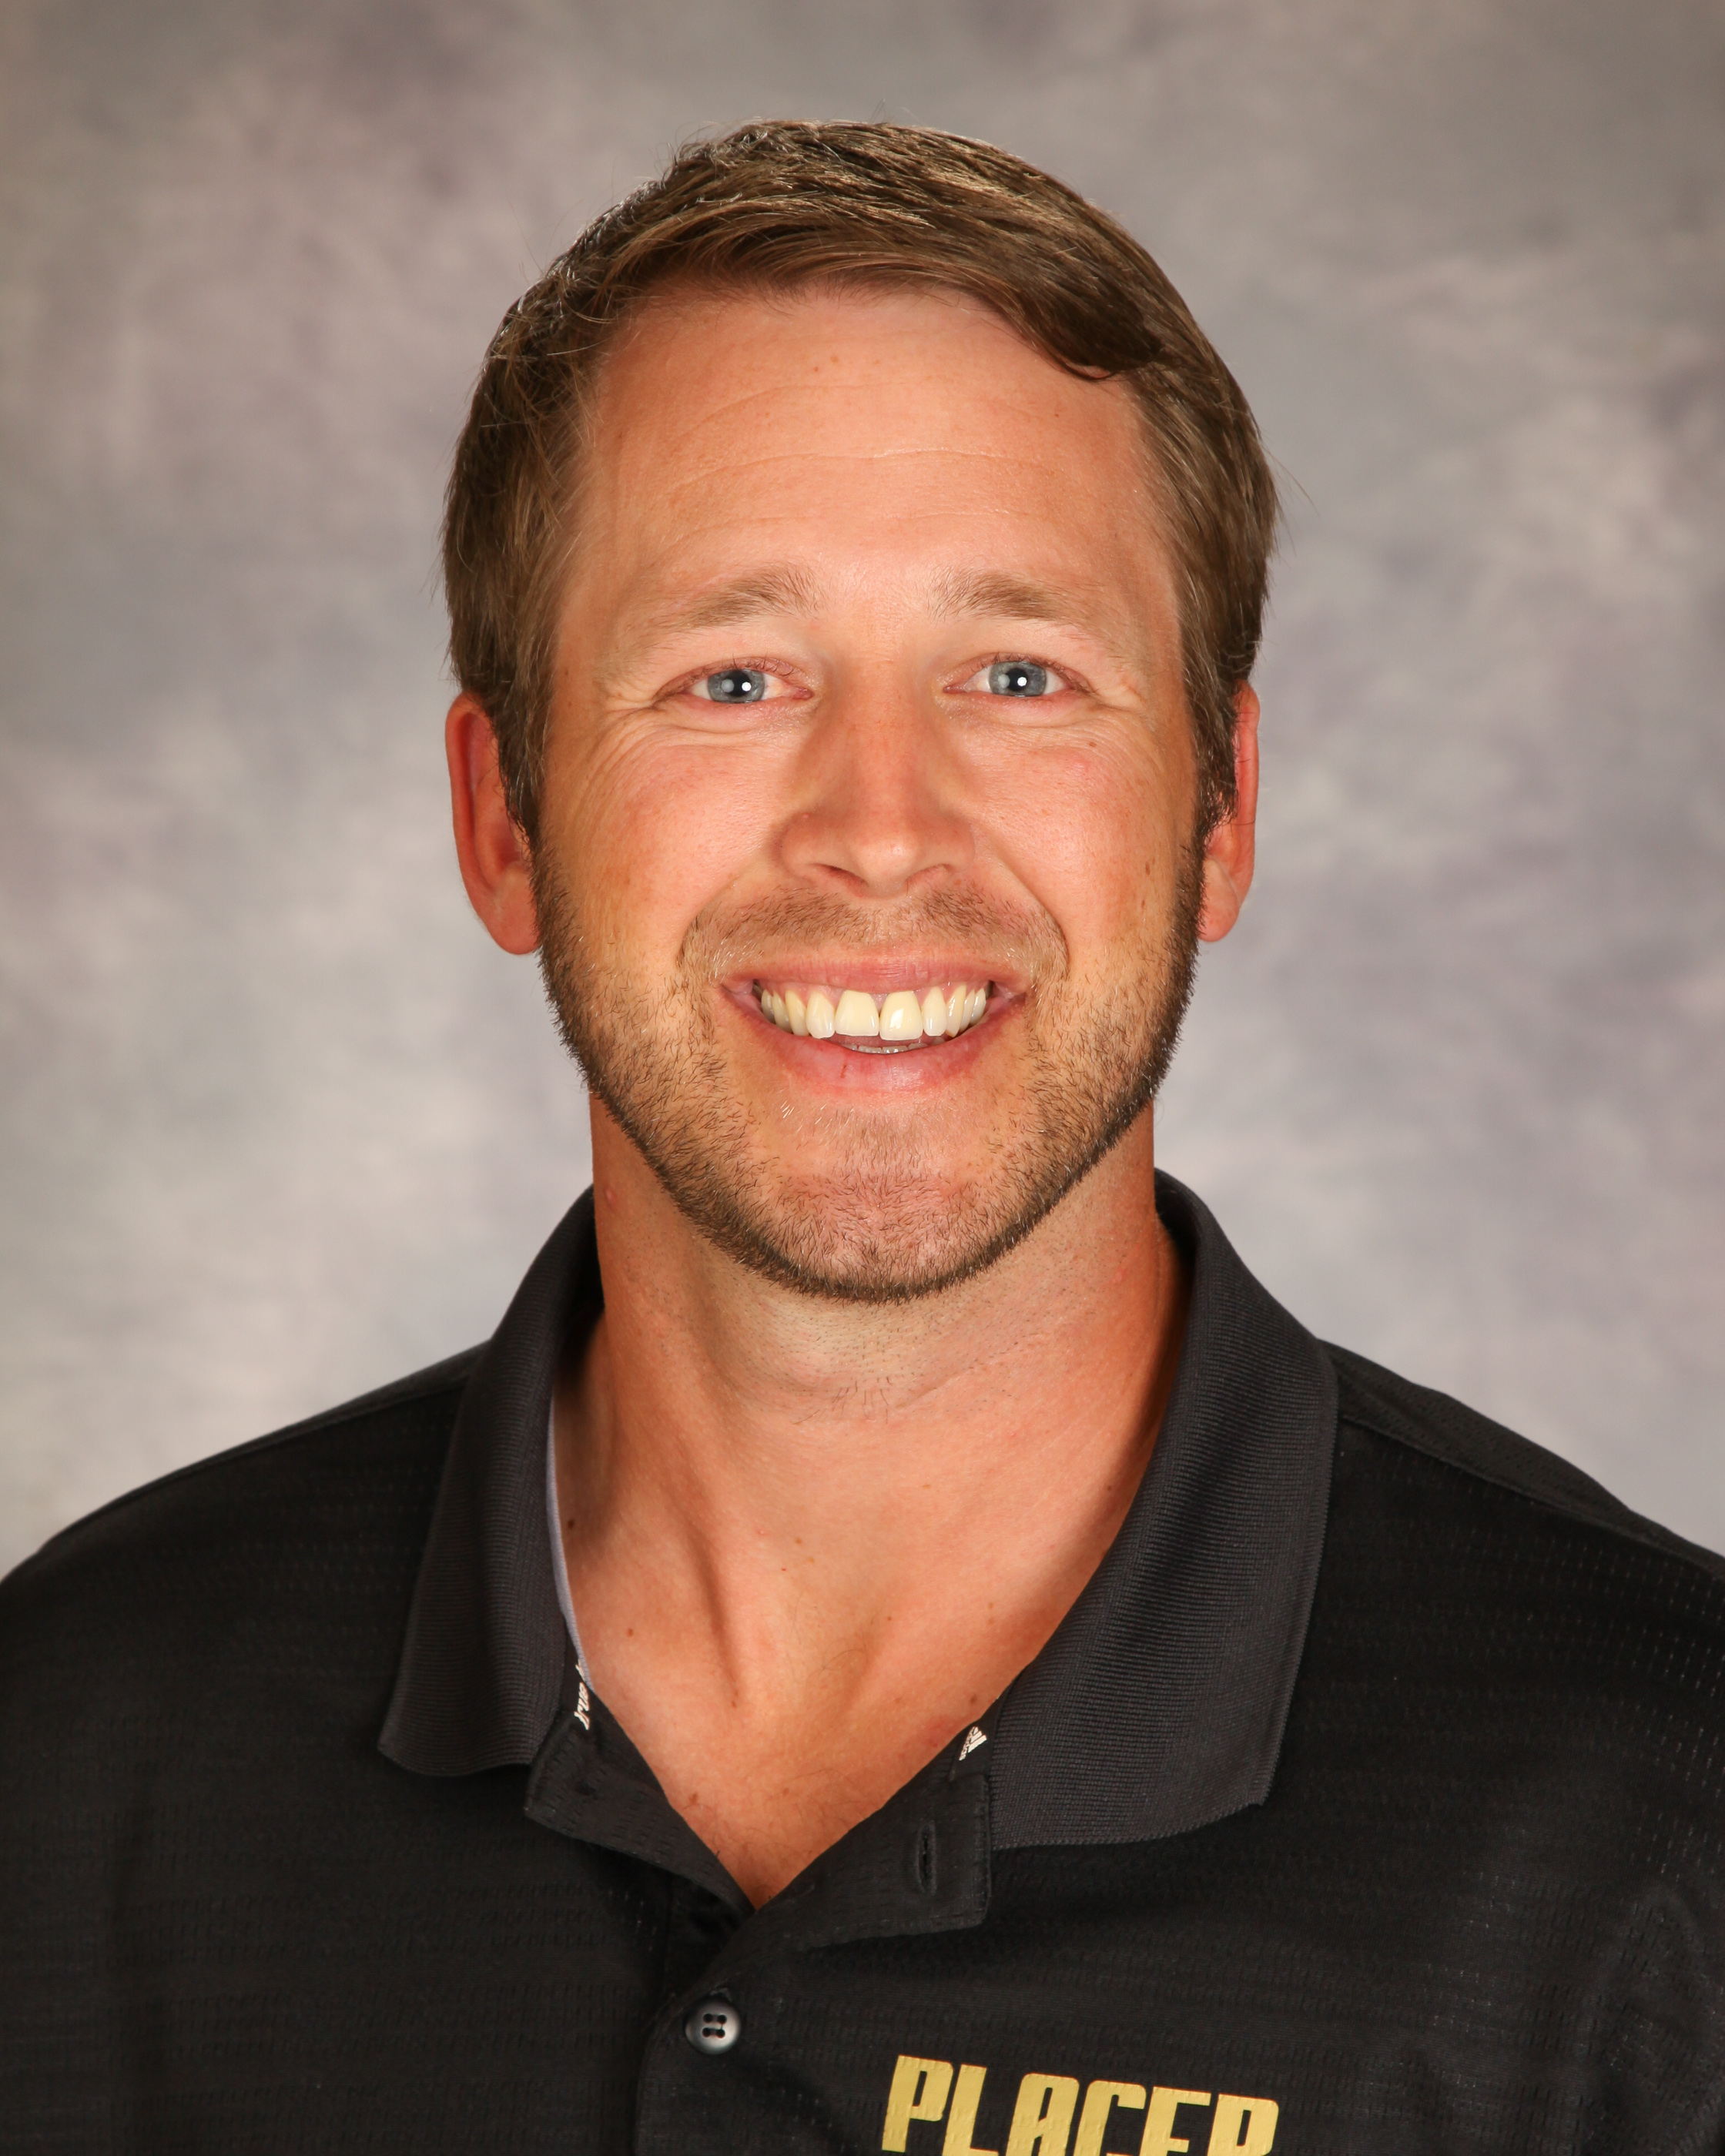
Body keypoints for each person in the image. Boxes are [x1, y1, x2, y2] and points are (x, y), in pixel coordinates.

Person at [3, 121, 1723, 2156]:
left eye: (1020, 673)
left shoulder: (1665, 1820)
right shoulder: (71, 1748)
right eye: (734, 678)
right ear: (505, 819)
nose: (883, 831)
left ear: (1220, 810)